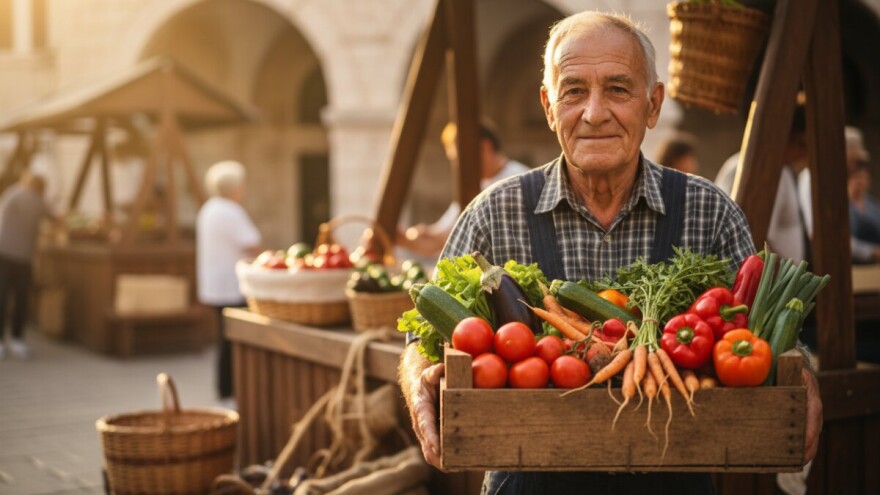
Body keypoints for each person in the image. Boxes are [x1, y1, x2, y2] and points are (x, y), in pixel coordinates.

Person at [398, 11, 823, 494]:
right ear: (548, 106)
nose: (594, 112)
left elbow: (763, 335)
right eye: (574, 90)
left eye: (618, 89)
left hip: (675, 478)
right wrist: (419, 386)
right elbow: (420, 342)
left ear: (653, 104)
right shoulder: (492, 213)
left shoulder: (710, 211)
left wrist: (801, 371)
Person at [396, 119, 530, 261]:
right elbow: (445, 235)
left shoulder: (518, 180)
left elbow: (461, 236)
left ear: (485, 147)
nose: (458, 167)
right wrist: (406, 238)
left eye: (459, 159)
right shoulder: (474, 187)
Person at [196, 161, 262, 400]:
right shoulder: (231, 211)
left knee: (224, 338)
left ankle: (225, 387)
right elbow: (251, 243)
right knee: (233, 338)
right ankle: (232, 387)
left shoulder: (209, 209)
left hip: (214, 285)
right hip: (231, 285)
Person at [714, 108, 810, 264]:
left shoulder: (779, 171)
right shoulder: (768, 172)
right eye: (802, 144)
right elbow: (757, 238)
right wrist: (782, 280)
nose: (805, 152)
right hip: (765, 279)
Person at [0, 172, 54, 359]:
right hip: (22, 257)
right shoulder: (37, 200)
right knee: (21, 299)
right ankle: (16, 340)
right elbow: (54, 218)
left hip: (4, 253)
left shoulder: (11, 194)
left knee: (3, 297)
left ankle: (1, 343)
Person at [848, 162, 880, 263]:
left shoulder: (872, 205)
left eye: (865, 178)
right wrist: (871, 251)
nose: (861, 181)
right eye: (858, 177)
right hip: (854, 264)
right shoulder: (844, 206)